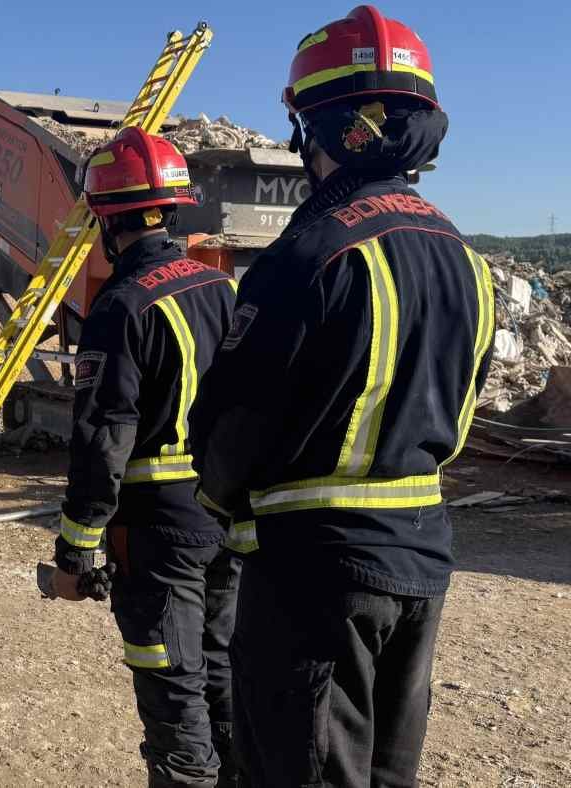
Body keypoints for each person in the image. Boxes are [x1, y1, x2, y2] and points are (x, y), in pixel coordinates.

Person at [188, 6, 495, 785]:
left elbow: (232, 430)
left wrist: (224, 500)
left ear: (314, 128)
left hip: (316, 580)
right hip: (422, 560)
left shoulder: (309, 254)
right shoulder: (467, 259)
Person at [47, 127, 242, 787]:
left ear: (107, 220)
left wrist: (75, 548)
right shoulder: (219, 291)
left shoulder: (121, 305)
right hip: (223, 521)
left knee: (173, 693)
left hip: (159, 533)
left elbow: (104, 434)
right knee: (222, 676)